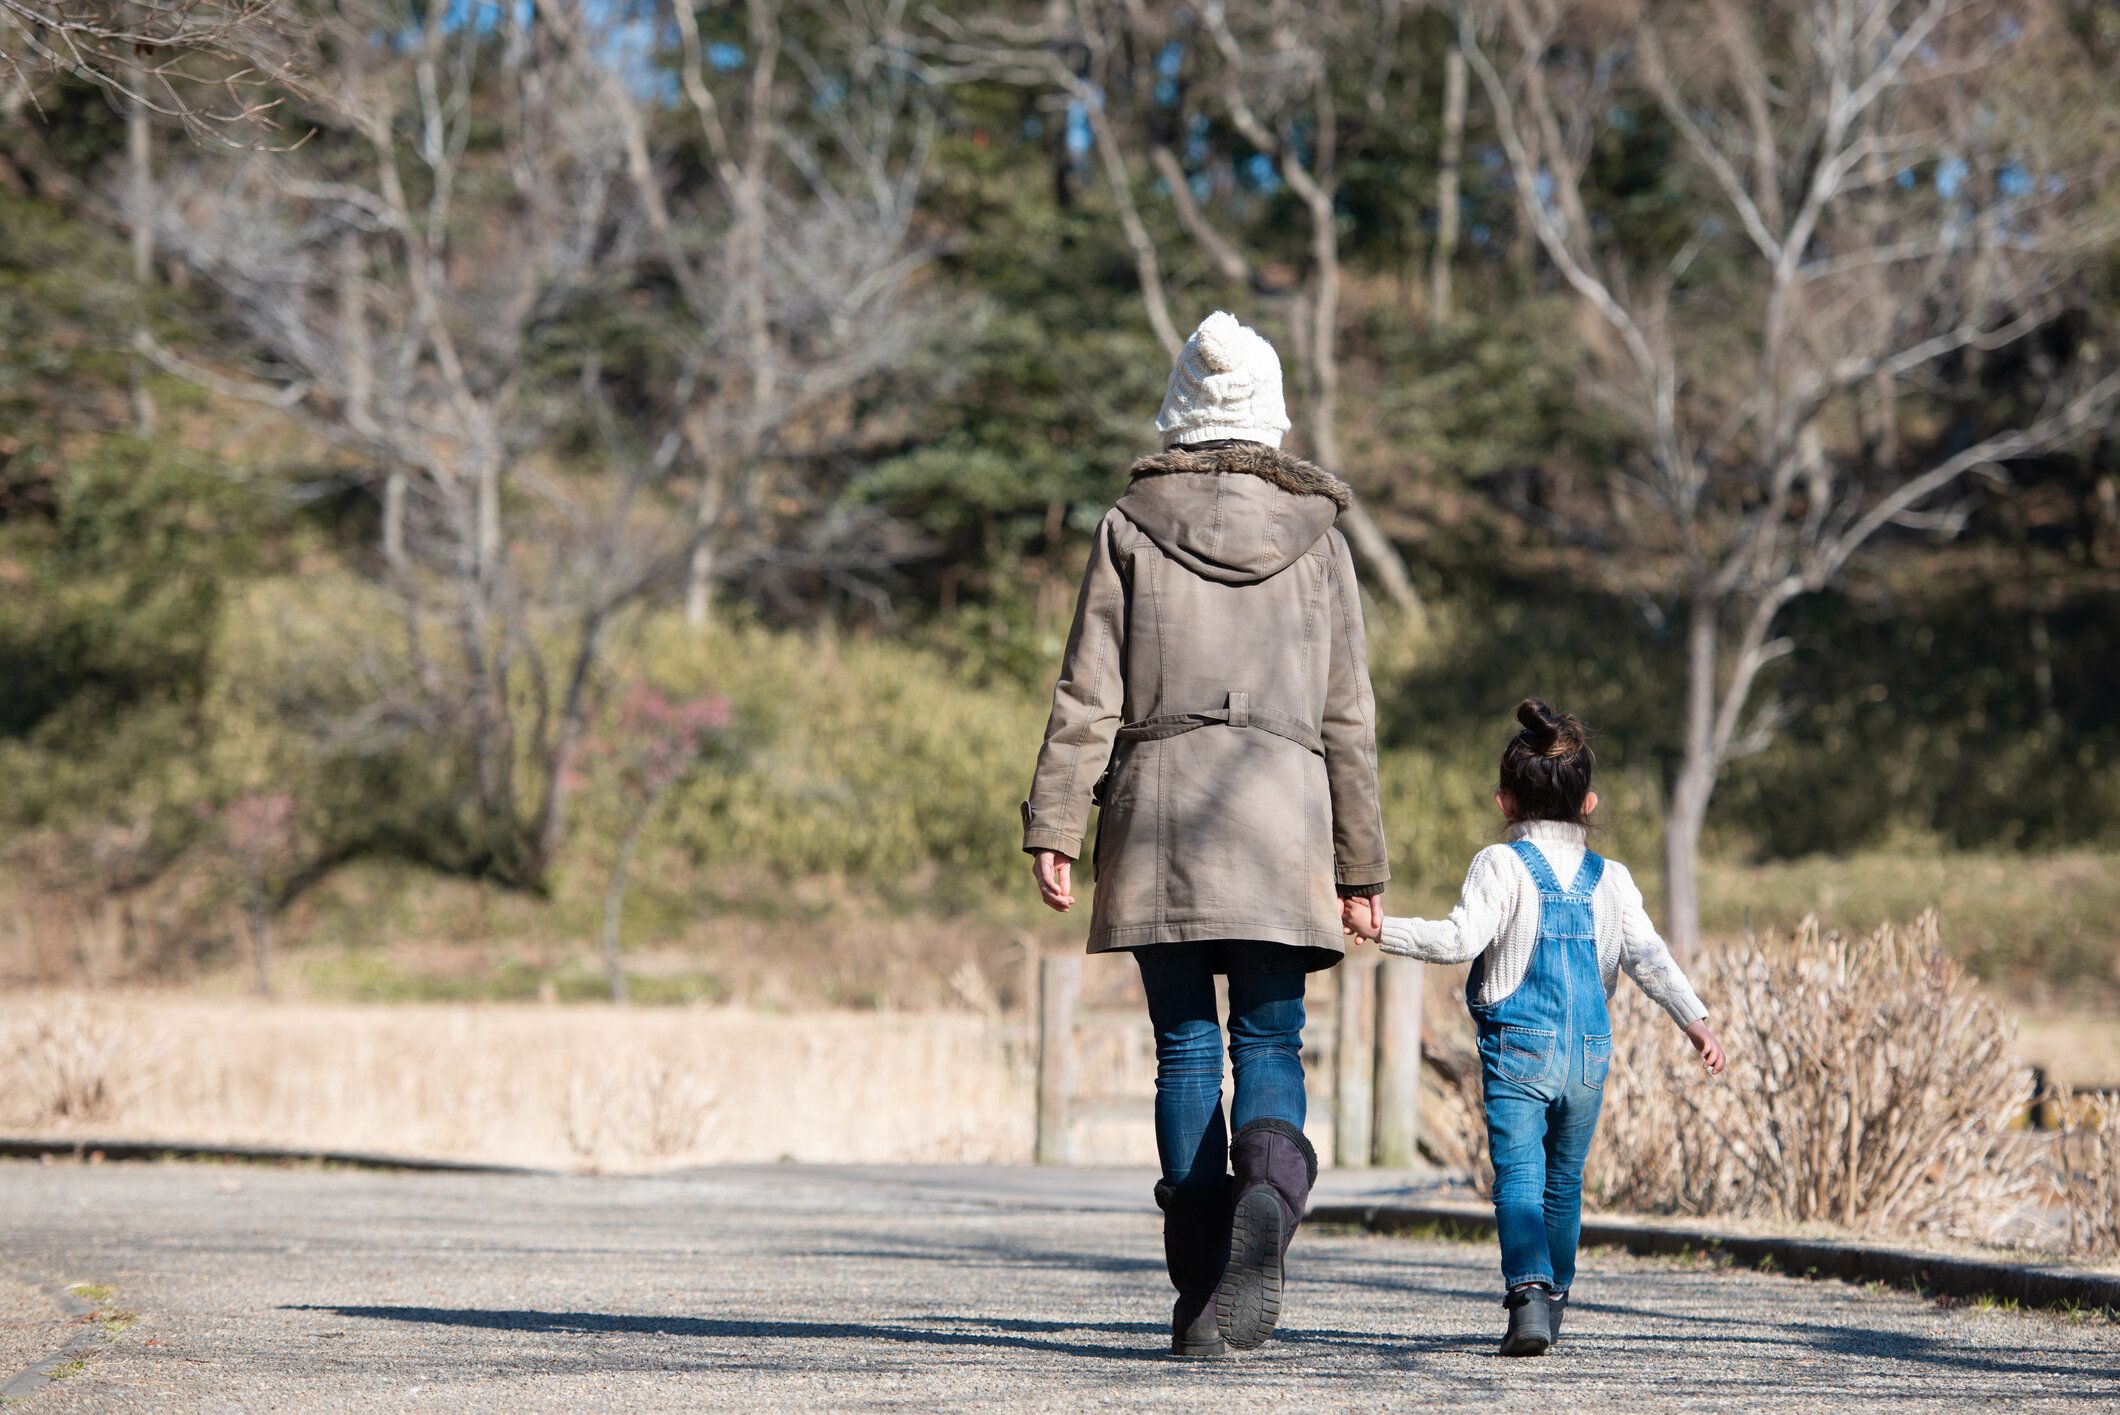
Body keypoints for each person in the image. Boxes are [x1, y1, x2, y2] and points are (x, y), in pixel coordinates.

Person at [1022, 311, 1390, 1358]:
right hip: (1284, 814)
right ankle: (1268, 1193)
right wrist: (1360, 864)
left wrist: (1054, 816)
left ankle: (1196, 1294)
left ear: (1180, 410)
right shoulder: (1319, 537)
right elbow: (1347, 713)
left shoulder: (1127, 524)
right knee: (1269, 1039)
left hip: (1159, 815)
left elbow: (1086, 691)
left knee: (1182, 1046)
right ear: (1268, 410)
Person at [1341, 699, 1726, 1357]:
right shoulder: (1614, 879)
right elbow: (1649, 957)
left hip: (1520, 1045)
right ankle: (1558, 1296)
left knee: (1518, 1174)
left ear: (1504, 801)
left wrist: (1384, 928)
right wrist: (1696, 1020)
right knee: (1565, 1180)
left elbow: (1460, 939)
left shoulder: (1500, 864)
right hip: (1590, 1053)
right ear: (1590, 802)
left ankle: (1528, 1294)